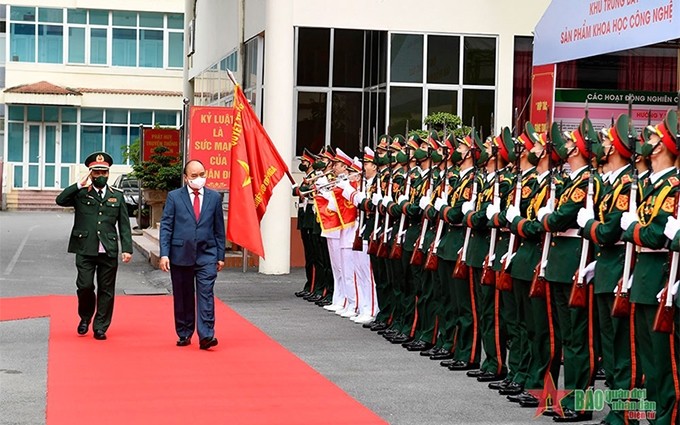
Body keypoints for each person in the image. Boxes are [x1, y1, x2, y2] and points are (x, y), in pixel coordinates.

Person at [55, 151, 133, 341]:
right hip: (84, 248)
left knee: (106, 290)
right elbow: (60, 200)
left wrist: (127, 249)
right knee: (85, 286)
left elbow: (124, 224)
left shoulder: (117, 196)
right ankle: (85, 317)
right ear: (90, 173)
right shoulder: (81, 193)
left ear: (108, 174)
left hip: (108, 249)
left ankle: (100, 326)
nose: (100, 176)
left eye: (103, 173)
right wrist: (79, 184)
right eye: (96, 173)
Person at [159, 159, 226, 350]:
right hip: (180, 253)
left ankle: (206, 335)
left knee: (205, 293)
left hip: (207, 254)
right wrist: (165, 254)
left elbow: (219, 229)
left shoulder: (214, 198)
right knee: (183, 295)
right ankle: (184, 332)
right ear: (186, 177)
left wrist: (220, 255)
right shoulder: (174, 197)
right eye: (194, 176)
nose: (199, 179)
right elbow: (166, 226)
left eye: (202, 175)